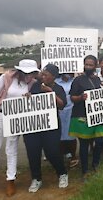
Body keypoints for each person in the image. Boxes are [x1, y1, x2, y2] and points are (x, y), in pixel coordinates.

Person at [0, 59, 40, 200]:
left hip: (15, 119)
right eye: (26, 73)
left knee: (11, 150)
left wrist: (29, 98)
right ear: (19, 71)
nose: (29, 75)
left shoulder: (32, 83)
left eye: (32, 73)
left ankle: (11, 180)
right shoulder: (6, 78)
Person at [24, 64, 68, 193]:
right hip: (34, 125)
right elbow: (29, 101)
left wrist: (50, 93)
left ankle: (62, 173)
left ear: (53, 77)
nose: (42, 76)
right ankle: (36, 178)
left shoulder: (58, 88)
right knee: (33, 152)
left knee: (51, 152)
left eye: (45, 75)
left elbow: (62, 105)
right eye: (42, 74)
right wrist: (27, 96)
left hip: (51, 126)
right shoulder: (35, 86)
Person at [68, 55, 103, 180]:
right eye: (86, 64)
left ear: (95, 65)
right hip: (81, 115)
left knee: (100, 140)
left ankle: (95, 164)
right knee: (84, 144)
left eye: (91, 65)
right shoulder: (78, 80)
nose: (88, 67)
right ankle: (85, 170)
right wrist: (80, 97)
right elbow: (72, 97)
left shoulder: (97, 80)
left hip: (96, 116)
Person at [55, 73, 79, 167]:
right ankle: (62, 156)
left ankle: (73, 156)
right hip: (59, 110)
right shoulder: (55, 81)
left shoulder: (75, 81)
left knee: (71, 134)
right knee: (60, 134)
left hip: (72, 109)